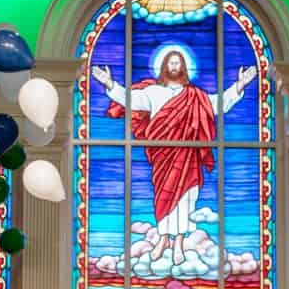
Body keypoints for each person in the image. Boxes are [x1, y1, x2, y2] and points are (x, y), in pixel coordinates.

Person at [96, 50, 256, 264]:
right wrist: (109, 84)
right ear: (164, 66)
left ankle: (179, 242)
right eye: (170, 62)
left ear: (183, 67)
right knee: (164, 198)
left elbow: (217, 104)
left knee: (185, 199)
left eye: (177, 62)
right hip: (162, 156)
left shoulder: (196, 96)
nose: (174, 66)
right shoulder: (153, 93)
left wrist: (240, 85)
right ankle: (163, 240)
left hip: (188, 155)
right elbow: (129, 99)